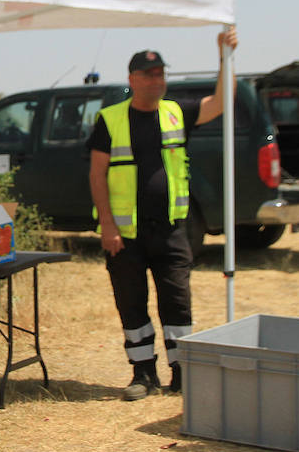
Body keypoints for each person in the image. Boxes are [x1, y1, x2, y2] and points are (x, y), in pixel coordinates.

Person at [88, 30, 239, 400]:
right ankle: (143, 375)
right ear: (132, 79)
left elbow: (222, 102)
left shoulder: (177, 112)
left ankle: (182, 373)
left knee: (177, 303)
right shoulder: (110, 120)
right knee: (131, 301)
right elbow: (96, 174)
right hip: (126, 233)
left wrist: (224, 56)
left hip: (172, 230)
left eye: (161, 74)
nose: (157, 80)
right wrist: (107, 226)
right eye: (149, 74)